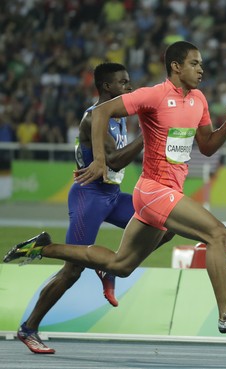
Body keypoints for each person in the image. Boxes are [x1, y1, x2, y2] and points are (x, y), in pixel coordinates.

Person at [4, 41, 226, 340]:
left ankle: (41, 248)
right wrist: (101, 161)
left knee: (121, 265)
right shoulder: (154, 95)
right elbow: (101, 112)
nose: (201, 69)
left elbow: (206, 147)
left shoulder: (199, 100)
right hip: (154, 190)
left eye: (202, 64)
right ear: (176, 67)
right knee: (217, 233)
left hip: (162, 193)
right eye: (194, 63)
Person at [14, 62, 174, 354]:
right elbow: (113, 160)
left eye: (129, 81)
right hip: (89, 196)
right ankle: (28, 327)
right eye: (123, 83)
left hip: (112, 196)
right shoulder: (93, 118)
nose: (129, 87)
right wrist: (149, 136)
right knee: (72, 272)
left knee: (164, 226)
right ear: (106, 88)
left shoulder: (119, 115)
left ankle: (106, 264)